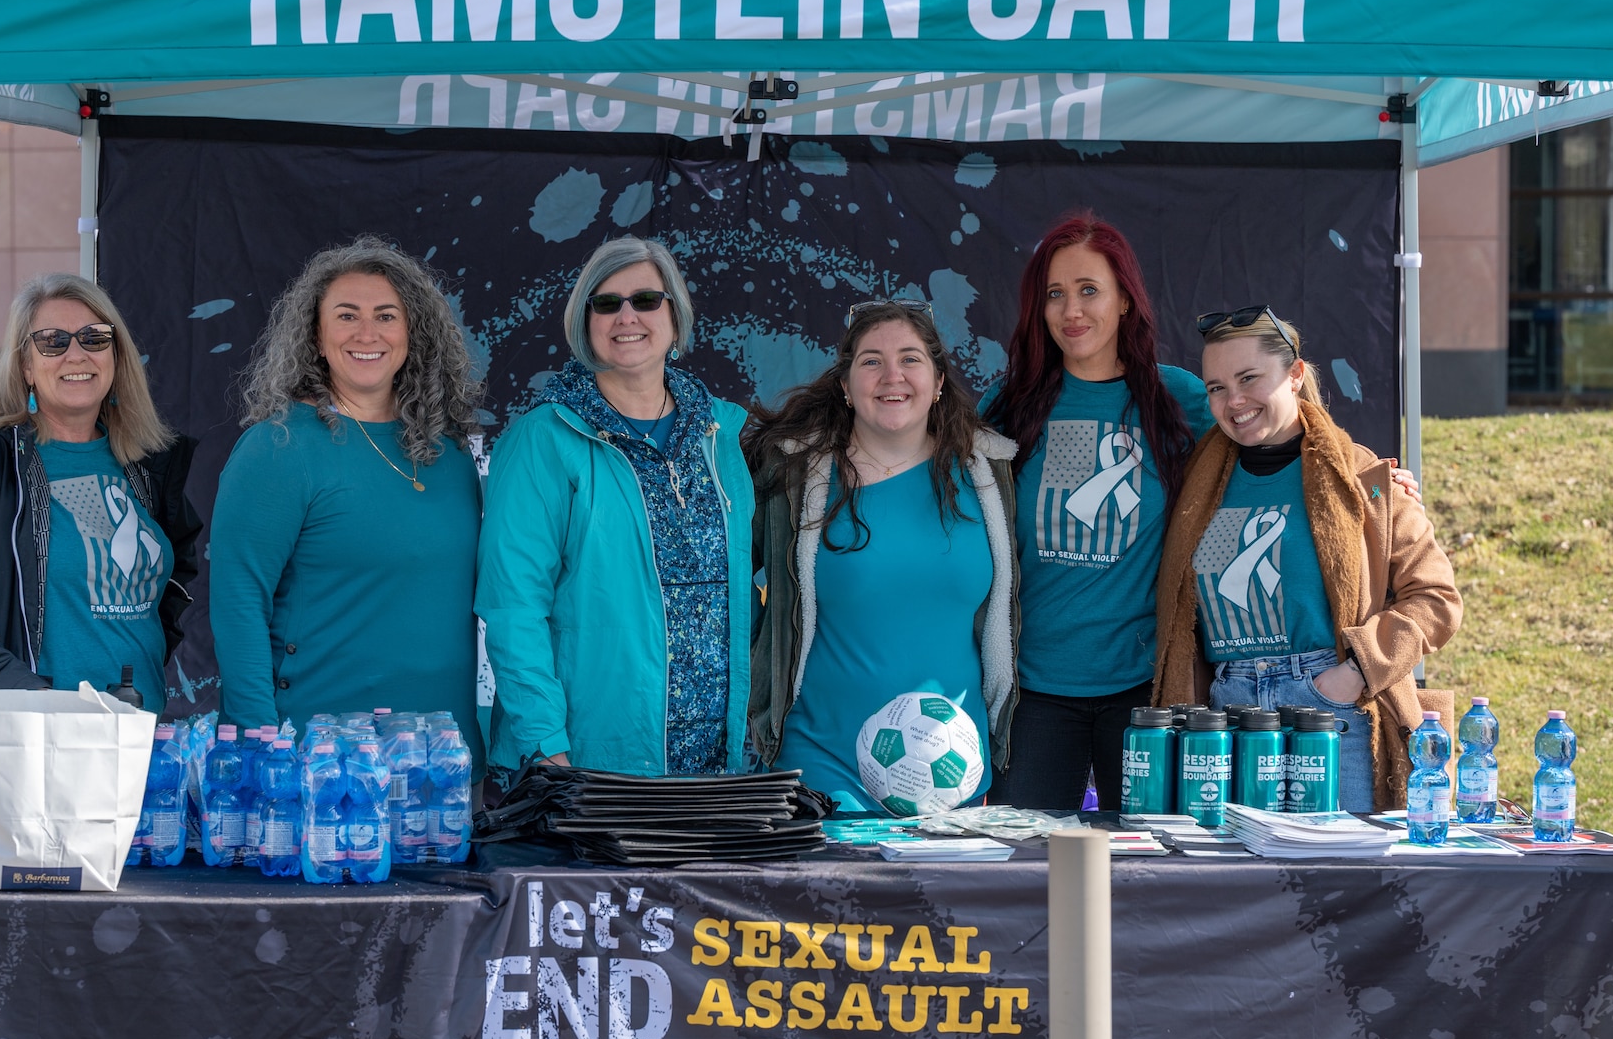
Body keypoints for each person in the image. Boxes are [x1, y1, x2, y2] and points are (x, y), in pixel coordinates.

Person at [0, 273, 199, 813]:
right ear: (24, 364)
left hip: (138, 749)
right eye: (52, 340)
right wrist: (25, 694)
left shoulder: (147, 469)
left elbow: (169, 590)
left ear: (117, 356)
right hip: (23, 755)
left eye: (95, 338)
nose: (75, 353)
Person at [1152, 306, 1462, 811]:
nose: (1234, 401)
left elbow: (1437, 598)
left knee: (1339, 884)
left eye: (1249, 378)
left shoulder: (1365, 480)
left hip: (1331, 712)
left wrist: (1352, 675)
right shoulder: (1191, 482)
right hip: (1225, 719)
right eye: (1216, 388)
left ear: (1295, 375)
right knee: (1225, 886)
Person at [476, 237, 752, 777]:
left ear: (675, 315)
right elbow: (513, 607)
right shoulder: (545, 439)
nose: (627, 316)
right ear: (586, 322)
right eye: (606, 303)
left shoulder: (723, 432)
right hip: (590, 760)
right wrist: (544, 745)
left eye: (646, 299)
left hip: (717, 767)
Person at [981, 214, 1213, 811]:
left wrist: (1372, 480)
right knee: (1026, 875)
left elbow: (1271, 436)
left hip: (1144, 688)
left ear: (1126, 301)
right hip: (1033, 689)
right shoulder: (1008, 407)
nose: (1071, 310)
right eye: (1054, 294)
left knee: (1146, 872)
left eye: (1089, 290)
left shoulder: (1179, 399)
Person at [748, 302, 1018, 811]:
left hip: (950, 772)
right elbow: (723, 581)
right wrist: (759, 679)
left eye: (910, 359)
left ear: (938, 380)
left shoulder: (988, 476)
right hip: (821, 765)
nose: (892, 376)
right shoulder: (794, 477)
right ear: (846, 386)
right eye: (871, 361)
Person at [211, 236, 482, 736]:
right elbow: (238, 602)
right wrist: (258, 743)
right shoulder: (279, 448)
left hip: (444, 758)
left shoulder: (453, 455)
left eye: (385, 315)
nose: (367, 332)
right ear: (316, 336)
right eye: (346, 314)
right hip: (320, 762)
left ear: (412, 333)